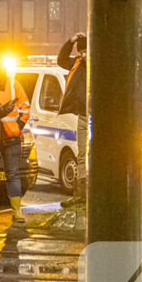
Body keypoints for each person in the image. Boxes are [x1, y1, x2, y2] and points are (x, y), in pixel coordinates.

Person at [0, 54, 31, 224]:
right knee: (8, 175)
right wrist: (17, 127)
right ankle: (16, 212)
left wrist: (17, 127)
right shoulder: (9, 85)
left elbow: (25, 108)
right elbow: (25, 109)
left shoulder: (11, 85)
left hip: (4, 137)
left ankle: (13, 212)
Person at [58, 32, 87, 201]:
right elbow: (61, 59)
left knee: (95, 154)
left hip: (96, 118)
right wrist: (71, 41)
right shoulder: (76, 64)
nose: (83, 54)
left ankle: (92, 189)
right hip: (83, 116)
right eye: (81, 51)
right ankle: (81, 193)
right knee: (81, 154)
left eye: (85, 51)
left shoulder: (99, 65)